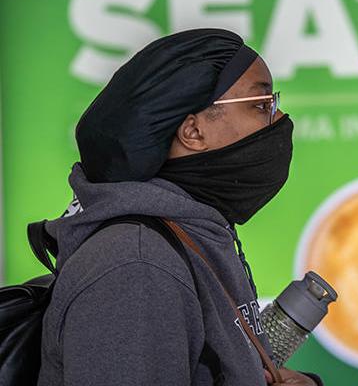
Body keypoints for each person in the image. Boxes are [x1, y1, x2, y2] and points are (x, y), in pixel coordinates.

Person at [37, 29, 321, 385]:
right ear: (193, 132)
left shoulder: (189, 235)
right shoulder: (135, 265)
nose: (278, 120)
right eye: (262, 105)